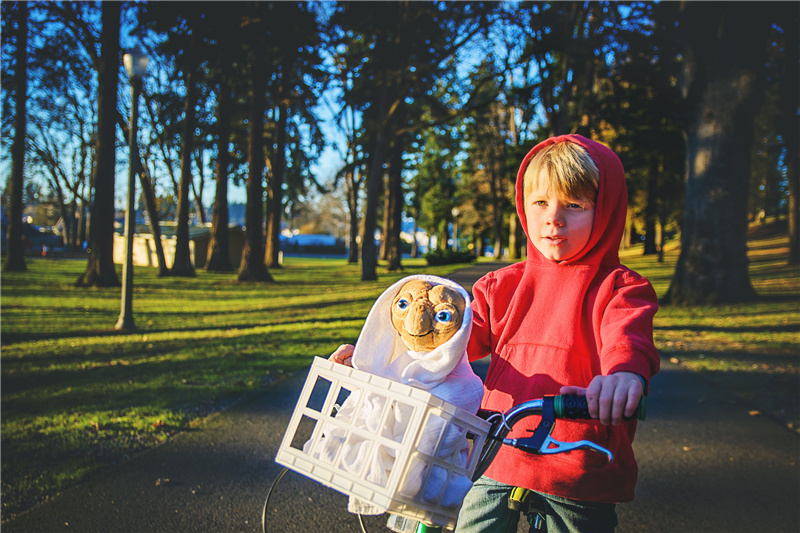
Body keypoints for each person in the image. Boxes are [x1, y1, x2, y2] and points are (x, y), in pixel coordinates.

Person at [454, 134, 660, 533]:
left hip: (580, 458)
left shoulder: (620, 288)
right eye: (541, 203)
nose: (554, 218)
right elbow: (452, 338)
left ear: (606, 212)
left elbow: (628, 338)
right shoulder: (502, 285)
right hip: (500, 451)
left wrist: (623, 376)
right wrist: (382, 354)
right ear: (523, 207)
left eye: (574, 205)